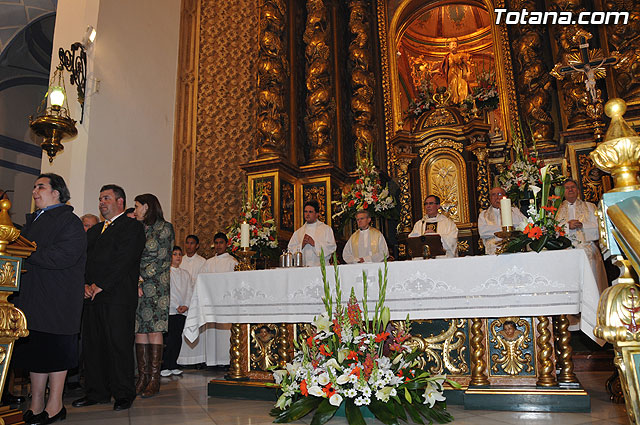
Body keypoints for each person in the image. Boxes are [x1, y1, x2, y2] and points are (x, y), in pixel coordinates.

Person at [14, 173, 86, 425]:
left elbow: (65, 255)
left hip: (58, 300)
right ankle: (36, 403)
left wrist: (28, 253)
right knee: (35, 352)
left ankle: (55, 405)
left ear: (56, 192)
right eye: (34, 187)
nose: (35, 191)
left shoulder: (70, 221)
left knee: (55, 353)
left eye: (40, 187)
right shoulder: (33, 221)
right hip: (33, 297)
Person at [72, 184, 145, 412]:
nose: (102, 202)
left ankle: (123, 393)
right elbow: (83, 260)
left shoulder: (132, 227)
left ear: (120, 202)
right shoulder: (94, 231)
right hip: (92, 297)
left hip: (118, 296)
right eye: (100, 199)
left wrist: (101, 284)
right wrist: (84, 284)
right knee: (93, 346)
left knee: (118, 346)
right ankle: (96, 391)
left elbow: (124, 260)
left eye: (106, 198)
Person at [132, 193, 174, 398]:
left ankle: (154, 379)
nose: (135, 210)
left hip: (156, 284)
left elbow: (162, 259)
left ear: (147, 207)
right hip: (135, 284)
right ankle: (142, 376)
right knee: (139, 327)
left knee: (154, 326)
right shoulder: (137, 228)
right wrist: (133, 279)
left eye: (137, 206)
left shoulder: (164, 228)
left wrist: (140, 279)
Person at [178, 232, 235, 368]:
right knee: (211, 333)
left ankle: (226, 361)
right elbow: (201, 282)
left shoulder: (232, 262)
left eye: (221, 243)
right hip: (210, 304)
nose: (218, 245)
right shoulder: (209, 263)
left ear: (226, 244)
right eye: (216, 243)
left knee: (224, 334)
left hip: (225, 304)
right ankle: (211, 361)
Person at [556, 179, 608, 294]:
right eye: (567, 188)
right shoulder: (556, 210)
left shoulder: (590, 207)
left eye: (573, 187)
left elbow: (599, 227)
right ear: (563, 192)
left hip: (587, 249)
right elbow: (552, 232)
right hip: (565, 251)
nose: (570, 190)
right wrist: (567, 226)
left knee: (591, 283)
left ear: (578, 190)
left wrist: (582, 225)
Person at [161, 246, 192, 377]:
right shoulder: (166, 272)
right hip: (171, 310)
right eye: (175, 254)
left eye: (180, 254)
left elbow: (189, 290)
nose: (178, 257)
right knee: (169, 339)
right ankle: (165, 365)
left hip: (182, 310)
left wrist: (186, 305)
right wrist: (175, 306)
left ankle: (173, 364)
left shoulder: (185, 274)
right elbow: (168, 291)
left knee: (178, 338)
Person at [478, 187, 526, 255]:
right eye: (493, 195)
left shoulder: (515, 211)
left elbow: (523, 225)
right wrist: (506, 229)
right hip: (493, 250)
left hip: (513, 248)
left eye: (499, 194)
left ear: (505, 197)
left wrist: (507, 210)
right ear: (490, 198)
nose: (497, 197)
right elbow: (483, 232)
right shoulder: (483, 214)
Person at [287, 200, 336, 266]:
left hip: (321, 268)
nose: (307, 214)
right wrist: (301, 245)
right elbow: (290, 251)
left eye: (310, 212)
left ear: (317, 214)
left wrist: (314, 244)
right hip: (303, 268)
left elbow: (332, 247)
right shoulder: (298, 232)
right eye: (305, 212)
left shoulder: (326, 229)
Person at [440, 38, 472, 104]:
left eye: (455, 44)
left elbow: (466, 64)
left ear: (457, 46)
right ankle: (453, 101)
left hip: (460, 73)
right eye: (452, 44)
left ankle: (462, 101)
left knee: (462, 86)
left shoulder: (461, 55)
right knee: (452, 87)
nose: (454, 46)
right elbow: (442, 67)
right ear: (449, 46)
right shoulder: (447, 57)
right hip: (451, 74)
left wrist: (468, 72)